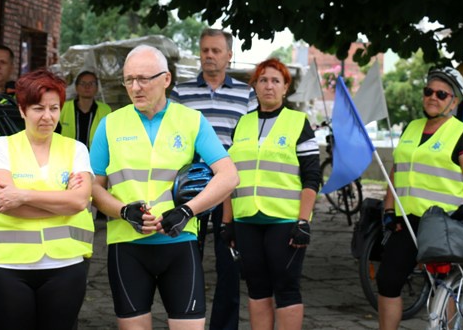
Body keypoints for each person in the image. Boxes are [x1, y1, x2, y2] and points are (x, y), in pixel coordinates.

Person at [89, 45, 239, 330]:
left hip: (179, 244)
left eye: (144, 79)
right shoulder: (110, 125)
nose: (135, 87)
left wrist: (187, 210)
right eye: (129, 79)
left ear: (166, 79)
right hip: (127, 247)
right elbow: (93, 188)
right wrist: (122, 211)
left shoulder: (191, 120)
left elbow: (229, 176)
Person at [0, 69, 94, 330]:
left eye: (54, 108)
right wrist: (61, 200)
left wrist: (23, 195)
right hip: (8, 266)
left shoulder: (76, 149)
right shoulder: (1, 147)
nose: (47, 116)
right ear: (22, 110)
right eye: (38, 108)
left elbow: (79, 201)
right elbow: (1, 202)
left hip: (65, 265)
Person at [376, 66, 463, 330]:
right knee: (387, 281)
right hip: (408, 221)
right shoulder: (411, 128)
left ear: (454, 101)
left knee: (442, 286)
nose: (433, 97)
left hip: (443, 223)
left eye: (441, 94)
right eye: (428, 91)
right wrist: (389, 210)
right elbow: (397, 171)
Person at [169, 27, 256, 330]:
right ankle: (186, 320)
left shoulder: (246, 94)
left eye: (215, 51)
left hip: (229, 190)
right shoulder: (180, 92)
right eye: (205, 50)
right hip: (191, 190)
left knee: (229, 265)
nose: (209, 56)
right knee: (186, 261)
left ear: (229, 56)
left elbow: (251, 143)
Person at [227, 58, 320, 330]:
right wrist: (227, 221)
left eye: (276, 81)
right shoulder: (242, 125)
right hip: (246, 221)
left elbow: (312, 176)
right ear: (254, 86)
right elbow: (228, 177)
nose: (269, 86)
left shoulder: (298, 123)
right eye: (263, 80)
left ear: (285, 88)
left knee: (286, 287)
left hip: (285, 222)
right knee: (256, 288)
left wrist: (304, 221)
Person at [60, 70, 112, 149]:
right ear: (76, 87)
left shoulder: (105, 110)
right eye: (83, 83)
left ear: (97, 88)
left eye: (91, 83)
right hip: (67, 156)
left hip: (94, 157)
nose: (87, 87)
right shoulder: (64, 108)